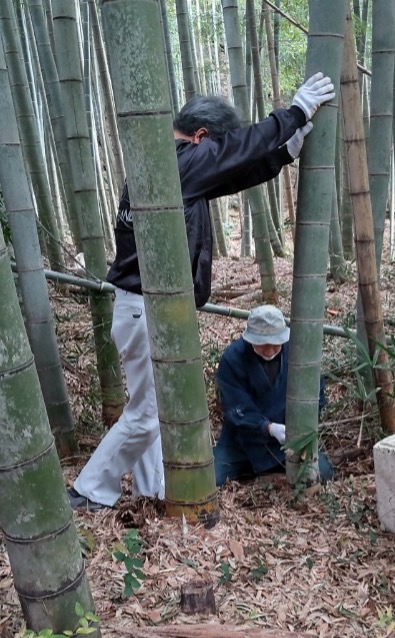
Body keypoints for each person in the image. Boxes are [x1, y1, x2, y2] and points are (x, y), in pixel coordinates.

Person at [68, 74, 335, 510]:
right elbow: (239, 151)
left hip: (138, 309)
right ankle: (90, 489)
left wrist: (286, 149)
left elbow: (234, 170)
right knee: (148, 412)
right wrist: (295, 114)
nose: (215, 155)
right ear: (201, 137)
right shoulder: (178, 161)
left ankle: (154, 491)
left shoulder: (163, 164)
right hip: (145, 310)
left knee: (149, 409)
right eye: (213, 147)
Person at [214, 305, 334, 486]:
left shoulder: (297, 351)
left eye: (275, 344)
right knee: (210, 478)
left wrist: (299, 426)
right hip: (242, 442)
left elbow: (315, 392)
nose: (269, 350)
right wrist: (267, 427)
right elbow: (235, 406)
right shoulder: (233, 358)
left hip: (288, 441)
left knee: (323, 473)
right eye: (263, 344)